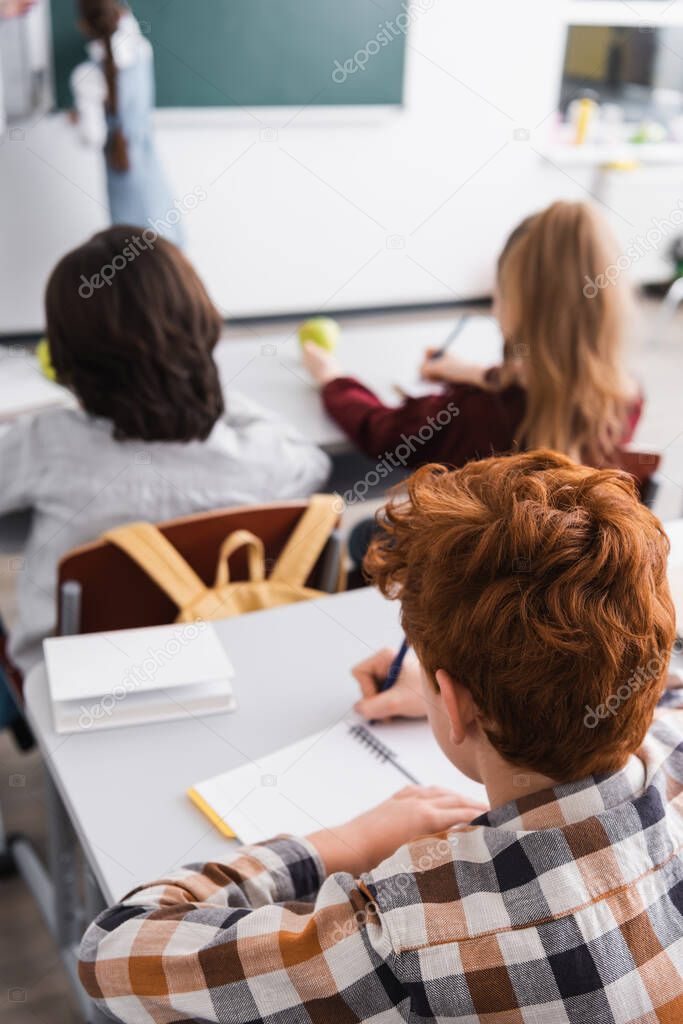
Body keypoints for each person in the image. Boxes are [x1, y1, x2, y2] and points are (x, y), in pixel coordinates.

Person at [78, 450, 683, 1022]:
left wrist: (339, 844)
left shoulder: (402, 938)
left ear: (452, 704)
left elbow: (113, 952)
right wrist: (494, 688)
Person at [0, 227, 330, 730]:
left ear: (65, 360)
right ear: (205, 328)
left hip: (71, 692)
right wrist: (197, 388)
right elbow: (313, 463)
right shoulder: (263, 457)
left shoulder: (46, 443)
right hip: (224, 664)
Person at [303, 201, 643, 471]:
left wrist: (333, 378)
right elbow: (549, 385)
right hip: (560, 554)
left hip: (466, 556)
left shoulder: (472, 413)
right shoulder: (625, 400)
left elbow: (379, 431)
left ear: (513, 304)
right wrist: (472, 372)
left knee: (366, 533)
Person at [69, 1, 182, 243]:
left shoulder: (86, 77)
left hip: (123, 172)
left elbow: (93, 136)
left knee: (133, 254)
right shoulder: (141, 49)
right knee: (165, 248)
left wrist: (80, 119)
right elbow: (127, 25)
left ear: (83, 25)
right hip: (149, 166)